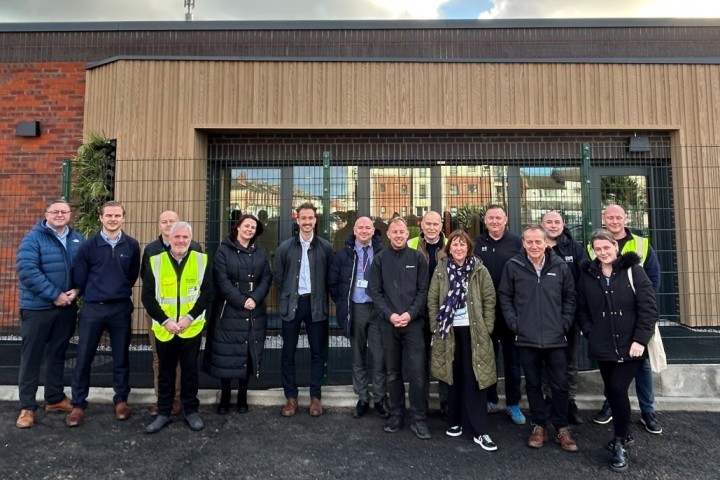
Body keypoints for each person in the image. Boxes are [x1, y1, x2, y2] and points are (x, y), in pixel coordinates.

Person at [577, 229, 658, 472]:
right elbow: (582, 309)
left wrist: (640, 340)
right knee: (613, 392)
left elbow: (648, 308)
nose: (603, 252)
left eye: (607, 247)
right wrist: (591, 333)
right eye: (598, 249)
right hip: (603, 345)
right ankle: (626, 431)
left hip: (631, 345)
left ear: (615, 246)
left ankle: (620, 442)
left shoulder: (634, 270)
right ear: (593, 250)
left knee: (616, 388)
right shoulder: (589, 275)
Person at [498, 225, 578, 452]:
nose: (534, 246)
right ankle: (539, 425)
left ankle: (561, 427)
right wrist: (515, 324)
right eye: (529, 242)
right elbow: (505, 297)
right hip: (526, 337)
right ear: (523, 243)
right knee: (532, 384)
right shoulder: (513, 266)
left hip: (555, 337)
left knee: (559, 385)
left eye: (538, 242)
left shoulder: (560, 266)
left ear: (546, 243)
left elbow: (570, 297)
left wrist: (564, 324)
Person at [588, 204, 663, 434]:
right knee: (612, 374)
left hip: (635, 321)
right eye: (609, 216)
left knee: (641, 368)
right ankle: (611, 406)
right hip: (607, 325)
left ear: (625, 218)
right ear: (603, 219)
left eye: (618, 216)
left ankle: (647, 411)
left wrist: (639, 308)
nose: (614, 220)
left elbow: (653, 279)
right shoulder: (592, 249)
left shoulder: (641, 243)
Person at [65, 201, 140, 427]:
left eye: (117, 215)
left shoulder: (132, 246)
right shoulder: (88, 246)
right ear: (101, 218)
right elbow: (80, 276)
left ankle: (121, 401)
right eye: (109, 215)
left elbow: (132, 275)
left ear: (123, 218)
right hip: (93, 308)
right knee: (84, 356)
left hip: (120, 308)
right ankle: (78, 404)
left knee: (121, 356)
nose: (113, 219)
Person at [15, 200, 84, 429]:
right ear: (46, 214)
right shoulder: (33, 239)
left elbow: (83, 269)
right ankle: (27, 407)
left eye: (64, 211)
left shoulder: (77, 239)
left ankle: (54, 398)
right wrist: (54, 294)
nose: (60, 215)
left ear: (69, 214)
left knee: (58, 353)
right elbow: (27, 270)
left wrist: (77, 289)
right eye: (55, 211)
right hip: (37, 308)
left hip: (65, 307)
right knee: (32, 357)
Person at [428, 230, 498, 451]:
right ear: (449, 249)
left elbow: (489, 299)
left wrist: (487, 328)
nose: (459, 249)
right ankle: (455, 421)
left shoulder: (479, 269)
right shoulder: (441, 270)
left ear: (469, 248)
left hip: (474, 332)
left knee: (475, 378)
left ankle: (479, 430)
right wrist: (435, 327)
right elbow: (432, 299)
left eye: (462, 245)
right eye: (455, 245)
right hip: (449, 332)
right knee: (453, 377)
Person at [141, 222, 212, 433]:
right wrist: (166, 321)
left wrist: (189, 318)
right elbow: (147, 297)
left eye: (185, 237)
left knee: (190, 371)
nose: (181, 241)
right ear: (169, 238)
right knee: (165, 372)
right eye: (177, 237)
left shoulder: (202, 260)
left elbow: (207, 293)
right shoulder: (155, 261)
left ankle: (191, 411)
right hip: (165, 328)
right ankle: (164, 412)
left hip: (191, 327)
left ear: (191, 239)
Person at [367, 217, 430, 439]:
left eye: (402, 231)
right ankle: (396, 415)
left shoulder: (418, 258)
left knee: (417, 374)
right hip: (389, 324)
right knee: (393, 373)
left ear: (407, 233)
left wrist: (410, 314)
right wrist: (391, 315)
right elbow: (375, 292)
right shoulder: (379, 260)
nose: (399, 235)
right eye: (394, 231)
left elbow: (424, 291)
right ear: (389, 234)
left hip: (414, 325)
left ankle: (418, 418)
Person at [204, 214, 272, 414]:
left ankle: (243, 395)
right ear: (238, 228)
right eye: (246, 226)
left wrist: (255, 298)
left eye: (253, 227)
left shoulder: (260, 252)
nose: (250, 229)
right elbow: (221, 280)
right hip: (229, 308)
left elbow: (267, 277)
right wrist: (242, 300)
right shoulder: (223, 251)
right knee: (227, 353)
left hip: (255, 309)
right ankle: (225, 396)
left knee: (248, 352)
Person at [273, 203, 333, 417]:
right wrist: (289, 293)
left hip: (315, 304)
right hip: (292, 304)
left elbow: (329, 277)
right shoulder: (285, 248)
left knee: (317, 352)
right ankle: (291, 397)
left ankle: (315, 397)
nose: (307, 222)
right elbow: (278, 276)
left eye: (311, 218)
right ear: (297, 220)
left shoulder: (325, 247)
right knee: (288, 352)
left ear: (316, 220)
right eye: (303, 218)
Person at [329, 216, 388, 418]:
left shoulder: (382, 252)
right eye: (360, 227)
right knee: (358, 355)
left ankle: (380, 397)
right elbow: (333, 283)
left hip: (378, 310)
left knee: (379, 356)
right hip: (356, 309)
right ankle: (362, 397)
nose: (364, 231)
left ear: (373, 231)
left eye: (368, 228)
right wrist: (342, 302)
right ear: (354, 230)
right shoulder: (344, 254)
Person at [473, 205, 526, 425]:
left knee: (513, 360)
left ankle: (513, 404)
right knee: (488, 358)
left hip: (511, 311)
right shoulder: (477, 243)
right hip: (485, 311)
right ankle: (491, 399)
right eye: (491, 218)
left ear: (506, 220)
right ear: (485, 221)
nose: (494, 221)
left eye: (499, 218)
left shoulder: (517, 243)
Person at [541, 211, 586, 425]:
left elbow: (583, 282)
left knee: (570, 361)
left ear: (563, 224)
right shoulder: (536, 248)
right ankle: (549, 399)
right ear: (542, 225)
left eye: (557, 221)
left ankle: (569, 401)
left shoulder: (575, 249)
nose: (553, 225)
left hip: (569, 316)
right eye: (549, 222)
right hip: (543, 317)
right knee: (546, 360)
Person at [407, 210, 449, 416]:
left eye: (436, 224)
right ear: (421, 225)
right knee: (420, 359)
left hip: (444, 309)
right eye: (428, 224)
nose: (432, 227)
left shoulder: (450, 244)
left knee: (444, 356)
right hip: (419, 310)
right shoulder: (411, 244)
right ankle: (420, 403)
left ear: (441, 226)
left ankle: (446, 403)